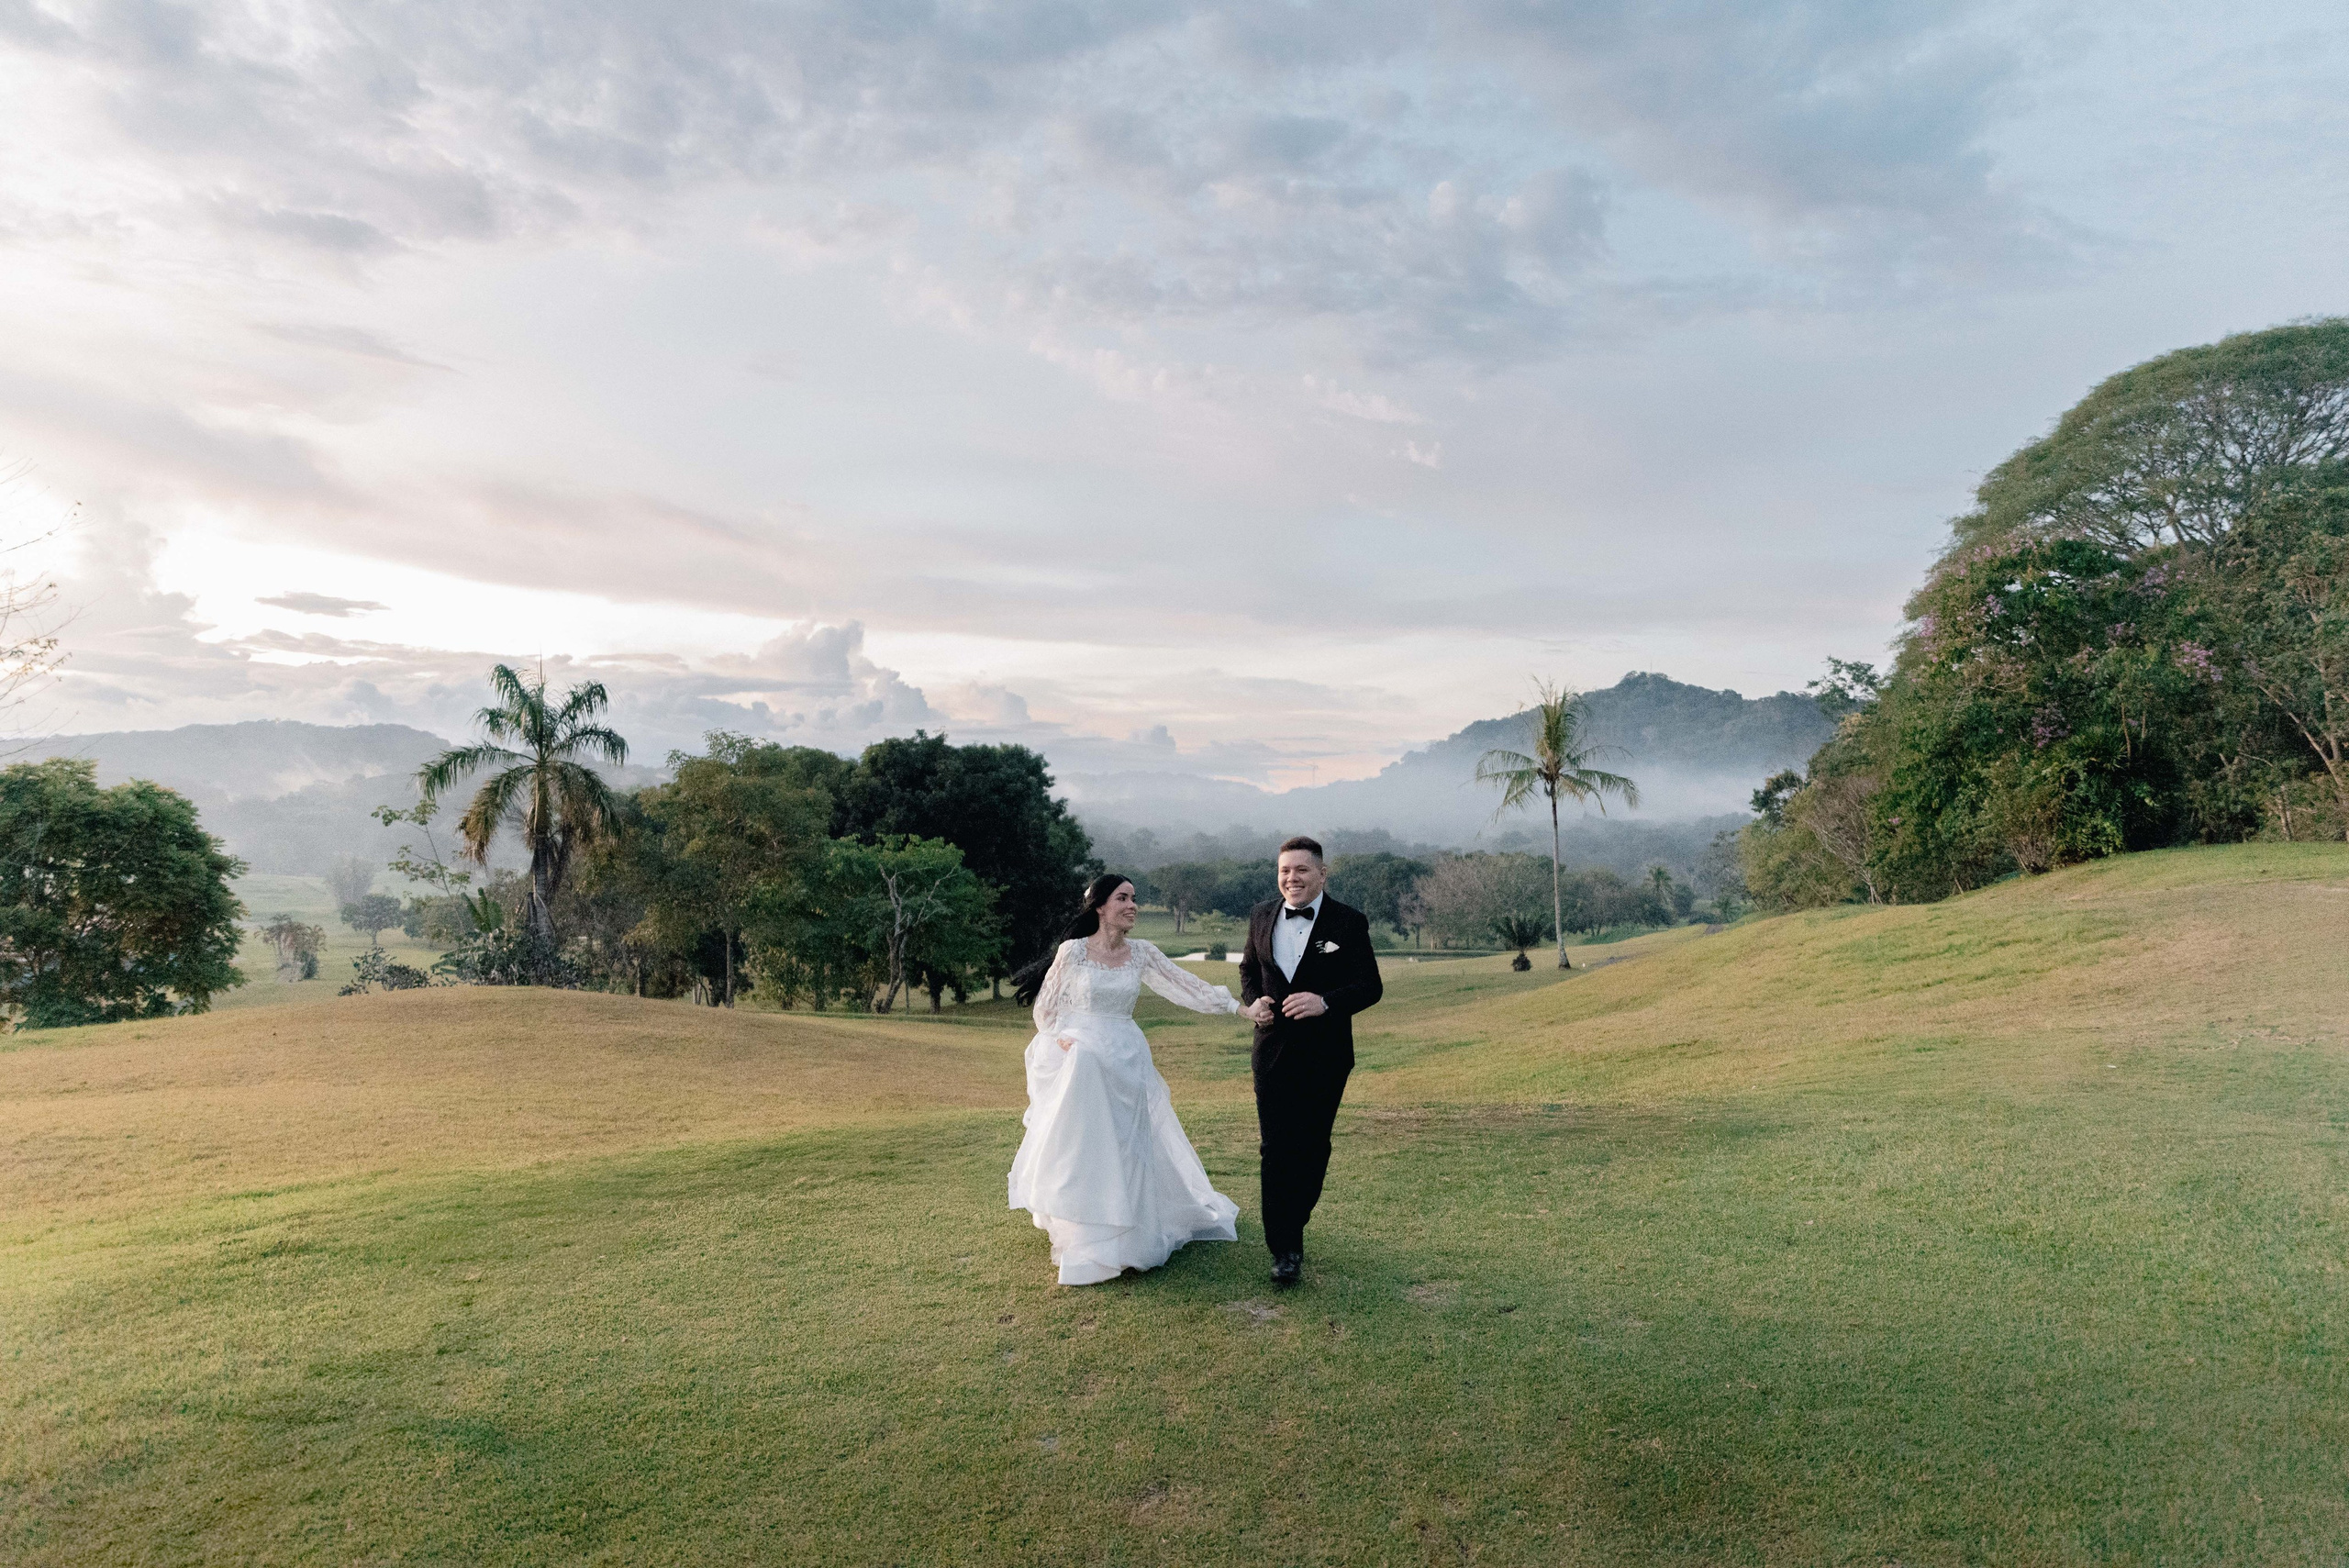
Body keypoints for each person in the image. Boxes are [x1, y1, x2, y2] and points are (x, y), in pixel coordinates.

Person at [1008, 873, 1251, 1285]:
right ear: (1100, 906)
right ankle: (1086, 1230)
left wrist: (1237, 1009)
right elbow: (1044, 1013)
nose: (1132, 905)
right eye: (1123, 898)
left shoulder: (1142, 953)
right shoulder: (1072, 953)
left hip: (1126, 1057)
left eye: (1135, 898)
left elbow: (1184, 986)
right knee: (1087, 1143)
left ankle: (1132, 1234)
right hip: (1083, 1060)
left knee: (1131, 1145)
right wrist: (1064, 1041)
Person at [1238, 835, 1383, 1287]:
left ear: (1322, 873)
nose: (1291, 878)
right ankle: (1284, 1247)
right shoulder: (1262, 915)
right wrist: (1253, 1003)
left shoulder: (1348, 921)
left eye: (1301, 870)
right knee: (1274, 1148)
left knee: (1313, 1146)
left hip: (1326, 1055)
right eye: (1284, 870)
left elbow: (1370, 986)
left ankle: (1293, 1221)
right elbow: (1248, 969)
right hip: (1271, 1052)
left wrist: (1325, 1001)